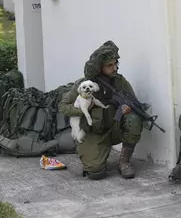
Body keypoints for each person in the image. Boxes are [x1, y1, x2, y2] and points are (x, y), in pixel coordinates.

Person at [58, 41, 143, 180]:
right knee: (95, 173)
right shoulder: (85, 84)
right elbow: (63, 106)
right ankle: (92, 151)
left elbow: (135, 102)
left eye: (116, 64)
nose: (114, 68)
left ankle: (124, 161)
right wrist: (83, 109)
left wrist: (130, 108)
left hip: (114, 128)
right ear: (99, 67)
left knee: (134, 119)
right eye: (109, 65)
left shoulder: (120, 82)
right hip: (93, 133)